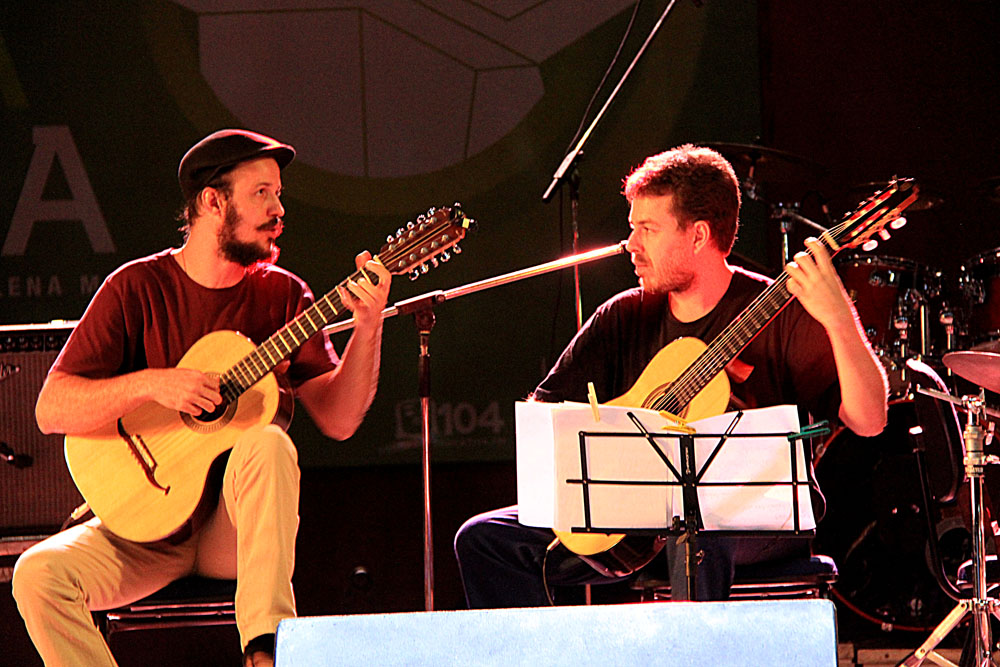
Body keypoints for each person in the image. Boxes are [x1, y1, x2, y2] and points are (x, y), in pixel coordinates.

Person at [12, 129, 391, 667]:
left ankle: (266, 651)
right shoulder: (136, 287)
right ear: (213, 201)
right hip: (141, 533)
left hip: (228, 535)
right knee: (36, 574)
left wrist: (369, 326)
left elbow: (340, 421)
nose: (279, 209)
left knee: (268, 444)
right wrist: (154, 383)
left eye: (278, 194)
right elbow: (52, 408)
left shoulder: (284, 294)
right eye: (261, 193)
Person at [454, 144, 888, 606]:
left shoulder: (783, 312)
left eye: (648, 229)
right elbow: (545, 416)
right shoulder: (623, 315)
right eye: (632, 228)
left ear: (698, 236)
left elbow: (870, 420)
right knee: (484, 538)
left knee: (697, 530)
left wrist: (839, 319)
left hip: (754, 519)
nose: (631, 244)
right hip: (640, 520)